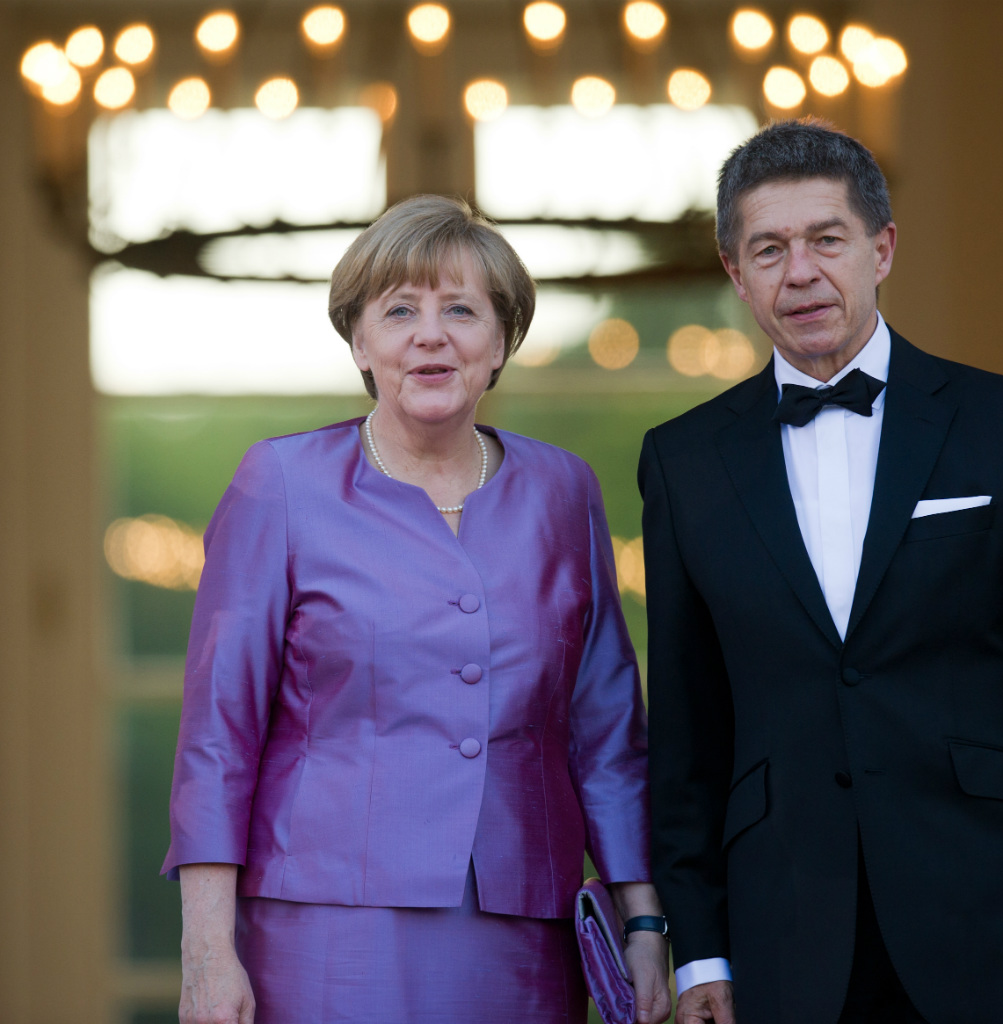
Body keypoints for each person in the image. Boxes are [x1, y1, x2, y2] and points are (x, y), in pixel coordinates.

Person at [639, 118, 1003, 1024]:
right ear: (736, 274)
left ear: (882, 249)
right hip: (783, 929)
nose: (800, 272)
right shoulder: (683, 463)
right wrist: (700, 950)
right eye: (769, 249)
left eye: (826, 240)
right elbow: (688, 731)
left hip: (994, 912)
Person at [163, 194, 671, 1024]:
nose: (430, 335)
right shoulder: (281, 484)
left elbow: (606, 727)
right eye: (400, 311)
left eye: (461, 310)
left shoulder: (563, 490)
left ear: (501, 340)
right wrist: (207, 950)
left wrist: (642, 917)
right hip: (323, 930)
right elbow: (220, 734)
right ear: (360, 342)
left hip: (523, 932)